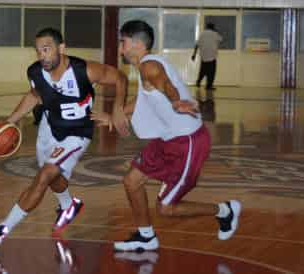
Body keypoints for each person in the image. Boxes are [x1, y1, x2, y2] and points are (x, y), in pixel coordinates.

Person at [92, 20, 241, 252]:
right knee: (132, 181)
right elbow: (144, 99)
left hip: (187, 143)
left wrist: (175, 101)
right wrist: (114, 118)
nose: (120, 48)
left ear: (137, 43)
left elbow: (166, 84)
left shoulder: (149, 67)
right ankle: (146, 236)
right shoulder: (146, 67)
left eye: (123, 42)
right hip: (167, 140)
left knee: (166, 208)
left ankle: (225, 210)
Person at [0, 27, 129, 247]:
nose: (42, 55)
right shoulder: (34, 72)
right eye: (38, 51)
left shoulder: (85, 70)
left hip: (77, 134)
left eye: (47, 49)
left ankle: (2, 229)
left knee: (44, 176)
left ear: (61, 48)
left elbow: (120, 77)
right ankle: (68, 205)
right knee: (52, 178)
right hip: (49, 127)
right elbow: (34, 96)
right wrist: (9, 121)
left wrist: (117, 109)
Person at [191, 22, 222, 90]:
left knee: (203, 70)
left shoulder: (202, 34)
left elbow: (197, 44)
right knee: (211, 72)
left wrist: (194, 55)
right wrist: (216, 31)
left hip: (204, 56)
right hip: (212, 57)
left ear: (207, 27)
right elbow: (221, 39)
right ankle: (209, 86)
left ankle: (198, 82)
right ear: (213, 27)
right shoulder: (215, 34)